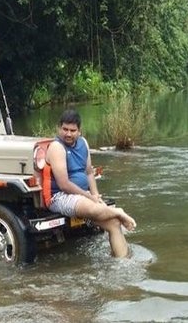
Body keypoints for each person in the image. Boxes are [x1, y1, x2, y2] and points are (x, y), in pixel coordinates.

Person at [45, 109, 137, 258]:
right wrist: (90, 198)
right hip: (60, 197)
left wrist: (94, 194)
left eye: (72, 130)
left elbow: (88, 172)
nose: (68, 134)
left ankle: (123, 264)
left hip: (83, 195)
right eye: (65, 129)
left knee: (113, 224)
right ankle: (118, 211)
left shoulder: (83, 143)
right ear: (59, 128)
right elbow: (64, 184)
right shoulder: (57, 147)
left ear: (79, 131)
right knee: (100, 210)